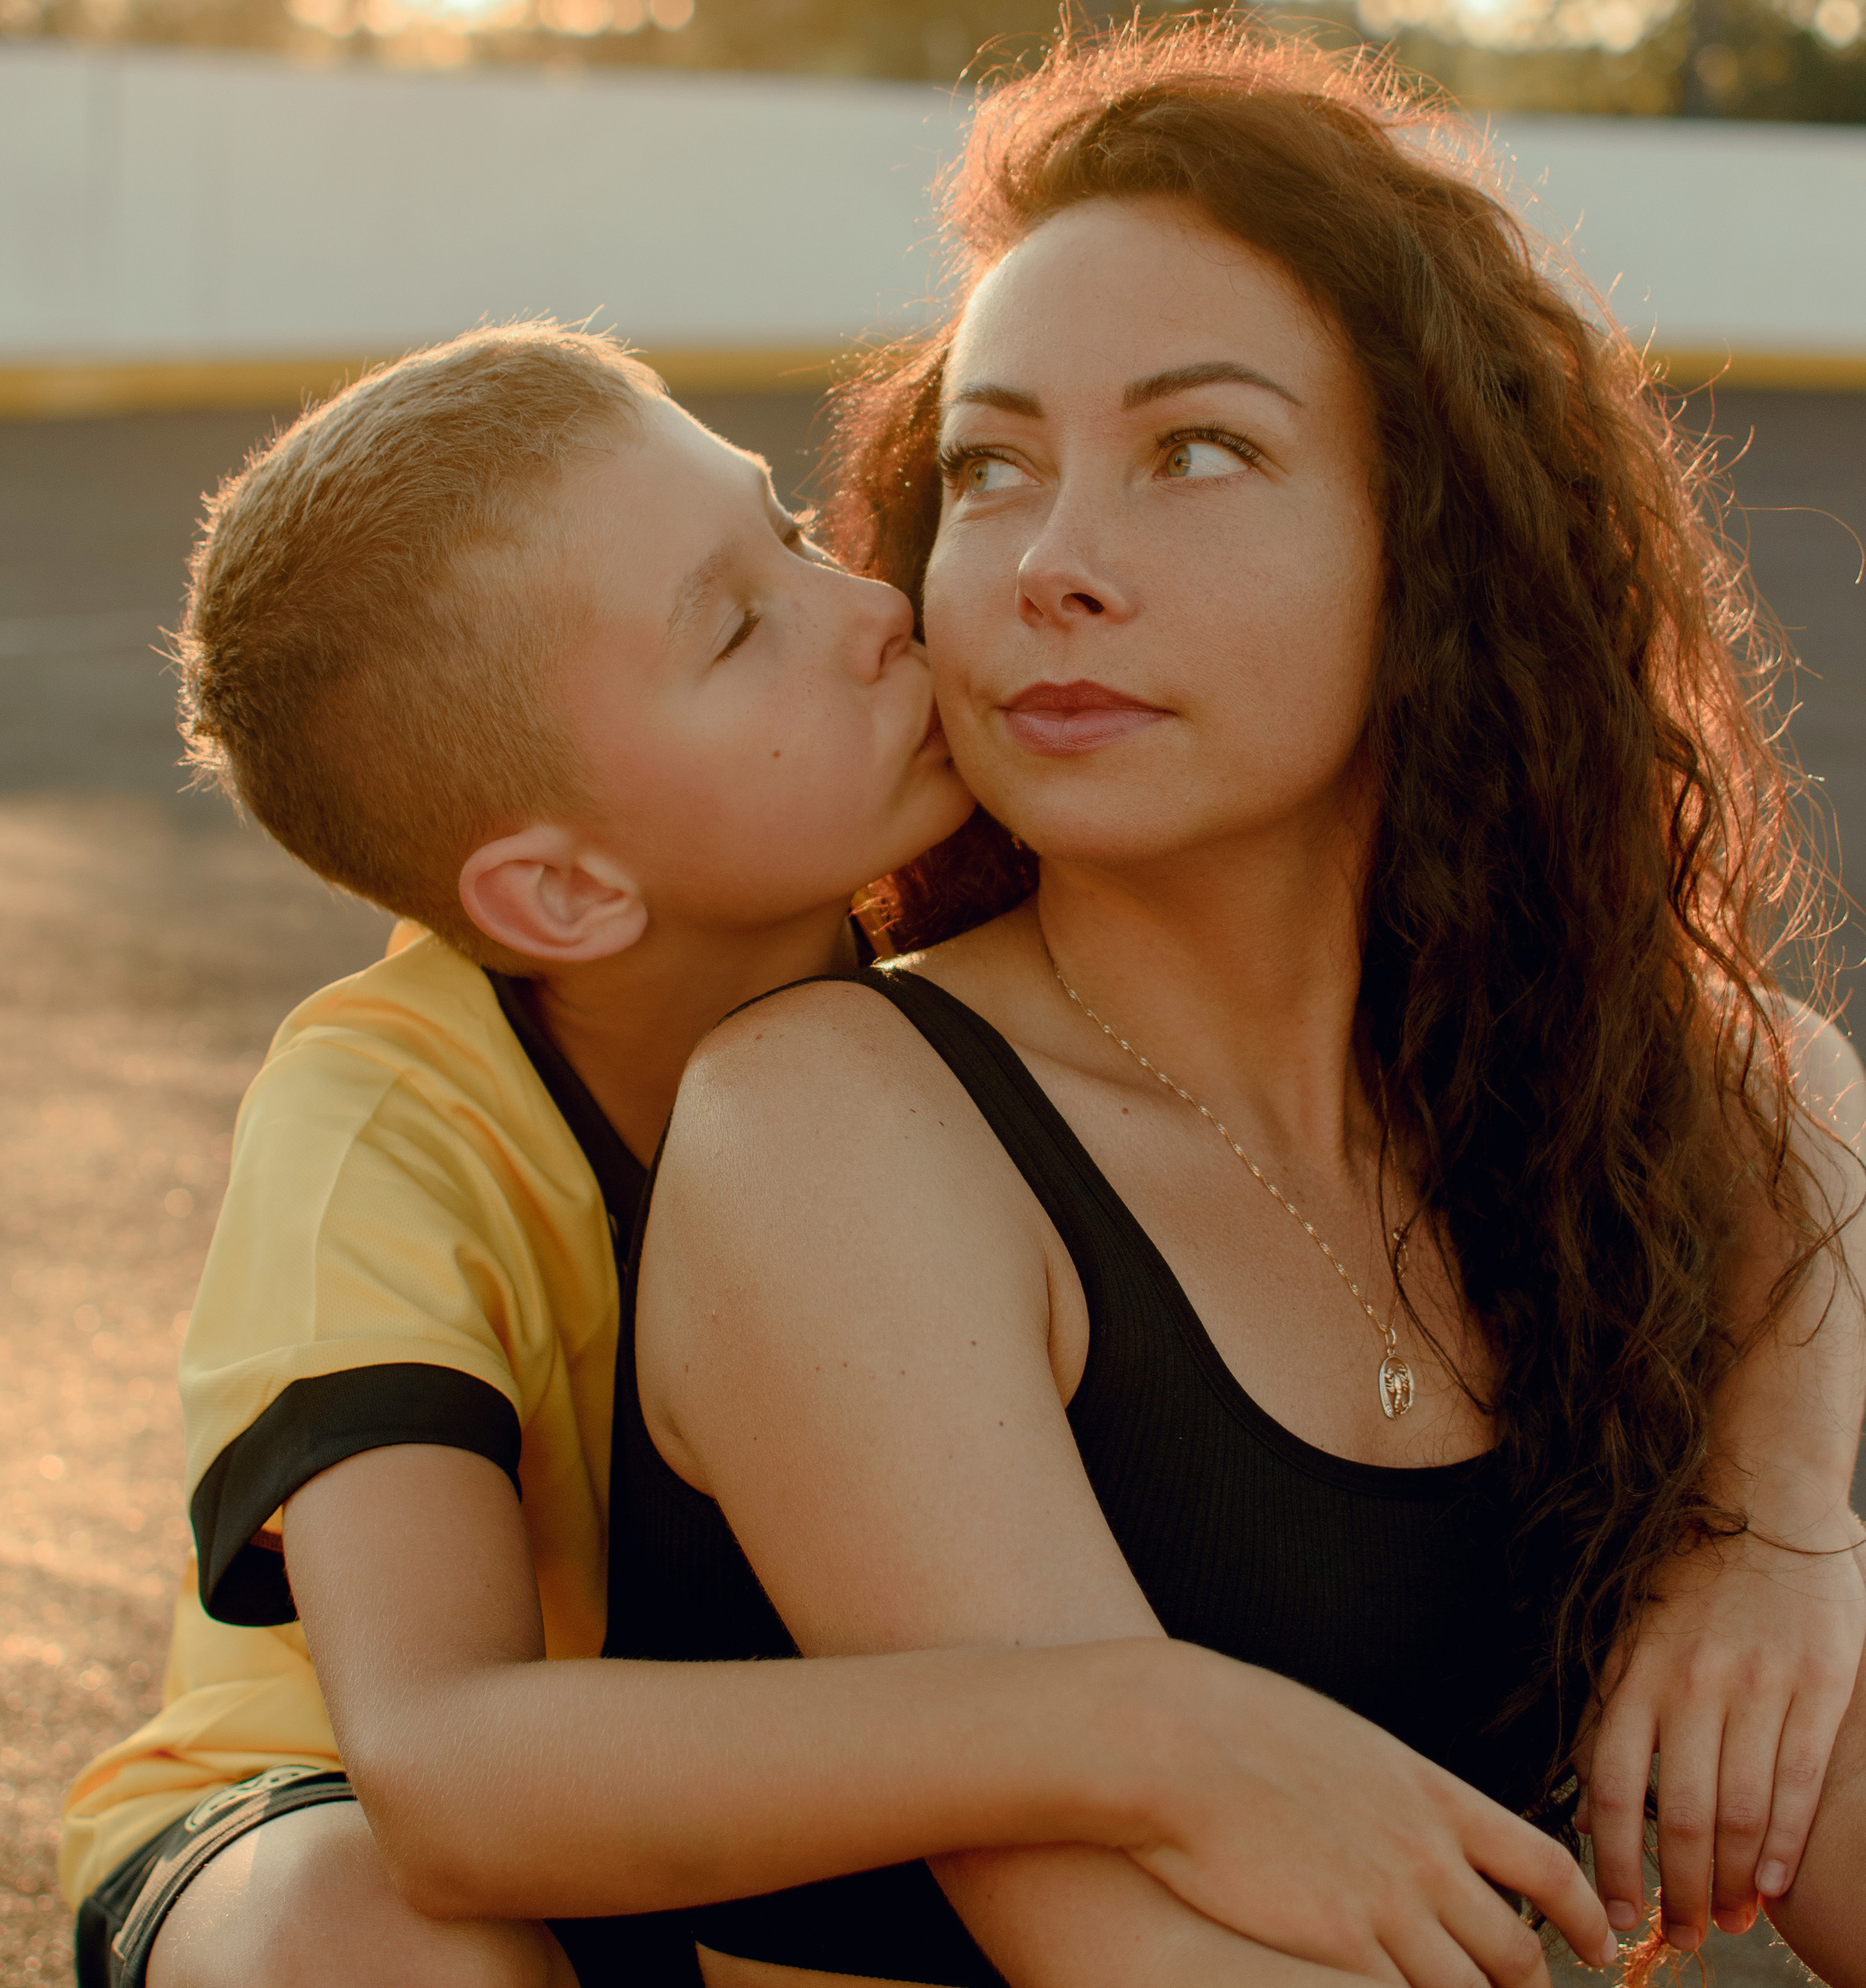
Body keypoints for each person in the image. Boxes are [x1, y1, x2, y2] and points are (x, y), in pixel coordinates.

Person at [58, 324, 1619, 1988]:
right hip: (402, 1825)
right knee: (358, 1928)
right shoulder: (382, 1124)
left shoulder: (961, 959)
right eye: (740, 628)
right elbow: (444, 1772)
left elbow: (1740, 1065)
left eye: (789, 536)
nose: (877, 613)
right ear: (568, 890)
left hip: (790, 1834)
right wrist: (1145, 1720)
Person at [606, 22, 1866, 1988]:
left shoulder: (1572, 1096)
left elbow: (1785, 1067)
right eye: (988, 468)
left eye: (1197, 450)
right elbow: (1132, 1950)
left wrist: (1776, 1532)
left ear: (1436, 543)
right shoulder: (835, 1123)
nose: (1046, 565)